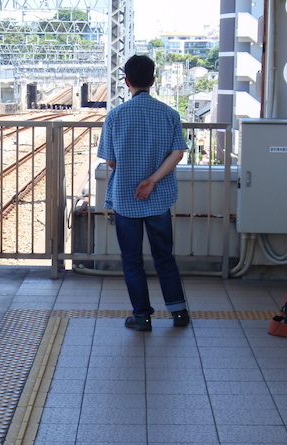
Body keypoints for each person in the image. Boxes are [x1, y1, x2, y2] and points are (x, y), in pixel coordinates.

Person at [97, 54, 190, 332]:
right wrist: (152, 180)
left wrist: (133, 172)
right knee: (164, 257)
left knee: (132, 259)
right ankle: (178, 313)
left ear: (126, 82)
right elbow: (178, 152)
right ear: (153, 80)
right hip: (159, 198)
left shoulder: (115, 116)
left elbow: (110, 161)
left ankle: (142, 317)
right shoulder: (170, 114)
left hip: (126, 198)